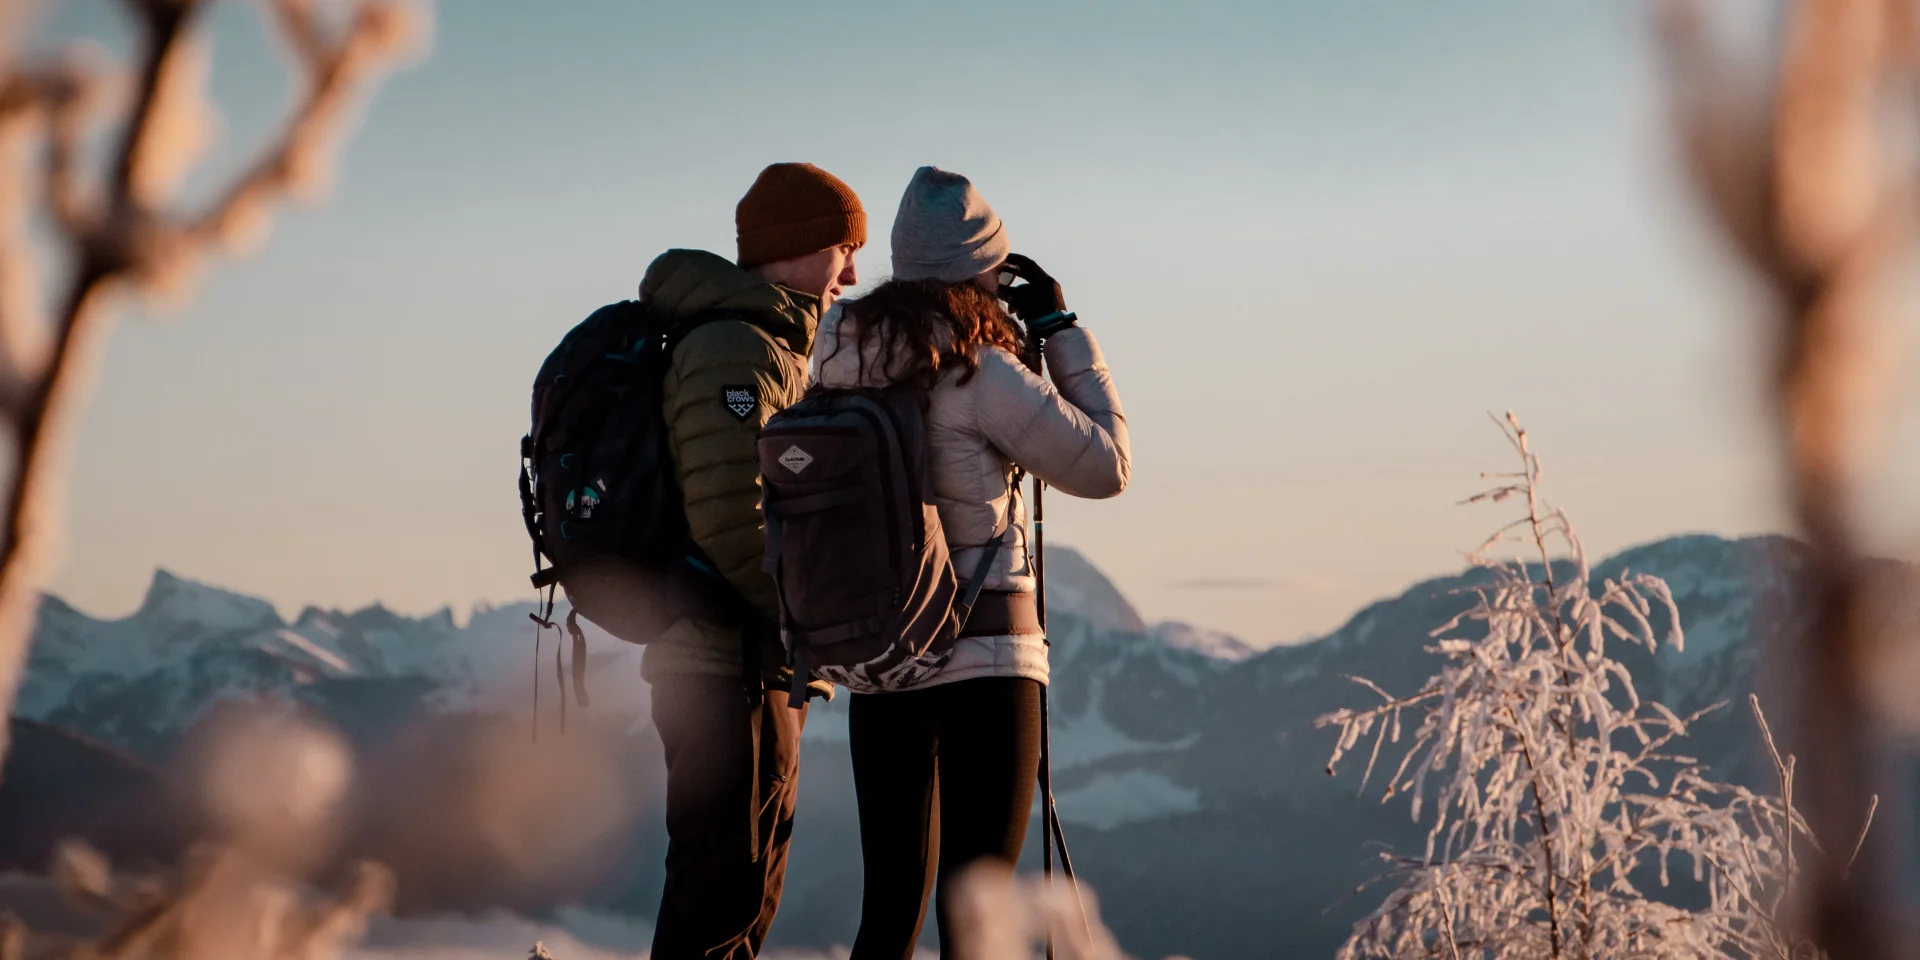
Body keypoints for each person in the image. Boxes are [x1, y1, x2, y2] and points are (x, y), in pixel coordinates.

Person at [814, 166, 1130, 958]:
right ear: (978, 270)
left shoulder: (838, 357)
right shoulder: (979, 368)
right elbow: (1104, 468)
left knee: (887, 912)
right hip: (985, 662)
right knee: (977, 919)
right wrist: (1058, 327)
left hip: (879, 660)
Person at [640, 162, 863, 959]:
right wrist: (813, 627)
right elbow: (735, 518)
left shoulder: (763, 343)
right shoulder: (739, 348)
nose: (853, 271)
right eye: (845, 246)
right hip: (724, 663)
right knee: (718, 903)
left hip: (748, 660)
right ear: (801, 246)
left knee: (741, 900)